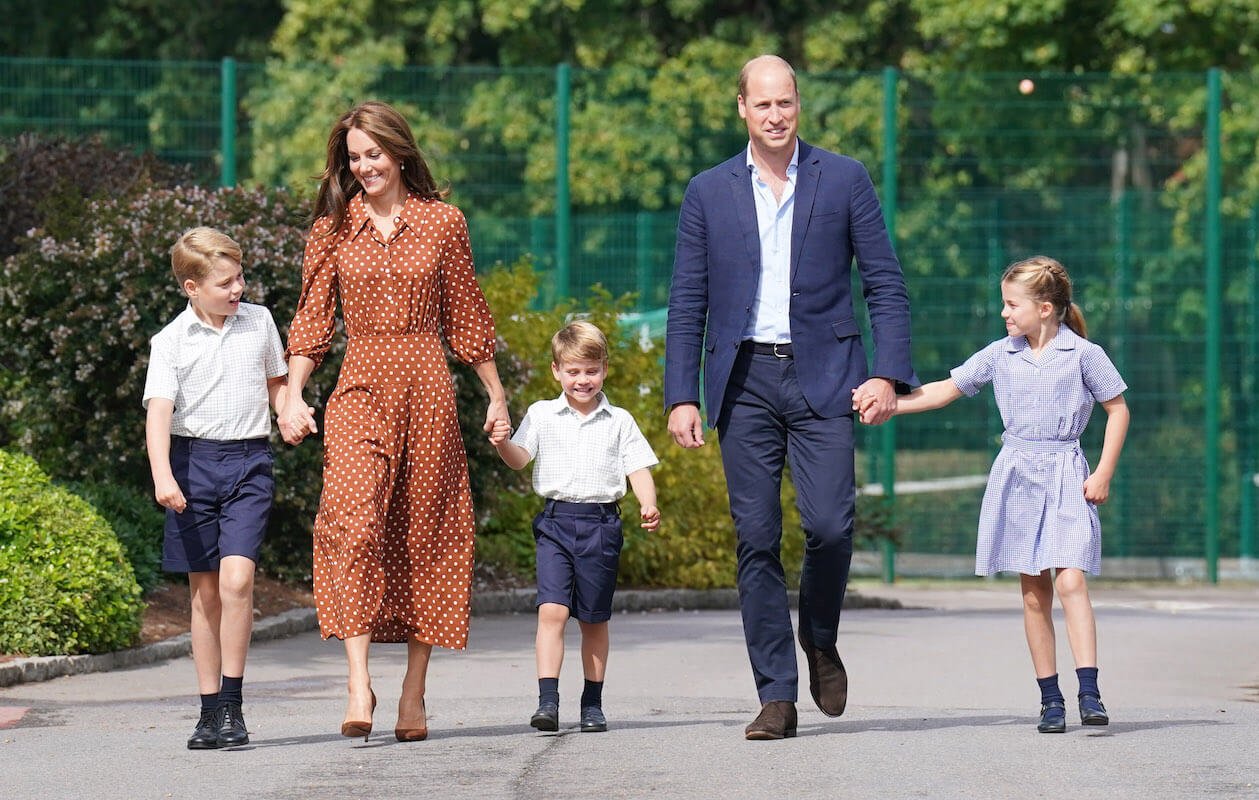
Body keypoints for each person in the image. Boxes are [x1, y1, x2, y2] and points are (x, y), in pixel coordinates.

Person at [664, 54, 918, 740]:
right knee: (755, 539)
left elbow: (885, 285)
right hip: (741, 381)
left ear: (797, 106)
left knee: (831, 527)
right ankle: (775, 694)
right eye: (763, 105)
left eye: (786, 104)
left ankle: (820, 638)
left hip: (828, 376)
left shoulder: (843, 178)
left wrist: (886, 375)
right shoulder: (708, 191)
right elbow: (687, 300)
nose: (776, 116)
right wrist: (679, 395)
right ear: (740, 108)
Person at [278, 100, 510, 743]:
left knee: (422, 533)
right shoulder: (334, 227)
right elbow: (312, 320)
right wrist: (294, 396)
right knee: (350, 520)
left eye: (374, 154)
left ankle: (413, 693)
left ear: (399, 152)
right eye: (353, 158)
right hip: (359, 387)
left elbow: (467, 315)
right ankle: (358, 683)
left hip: (429, 387)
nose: (364, 167)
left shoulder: (443, 223)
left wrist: (495, 396)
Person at [867, 255, 1129, 733]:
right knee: (1034, 592)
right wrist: (890, 405)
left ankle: (1089, 690)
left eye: (1012, 305)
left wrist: (1104, 472)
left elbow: (1118, 409)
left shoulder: (1085, 355)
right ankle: (1051, 700)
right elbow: (945, 389)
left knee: (1071, 580)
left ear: (1045, 308)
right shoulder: (999, 353)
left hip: (1067, 474)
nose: (1005, 314)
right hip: (1018, 476)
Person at [143, 227, 289, 749]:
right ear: (191, 286)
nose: (238, 290)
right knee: (204, 594)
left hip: (249, 461)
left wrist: (288, 409)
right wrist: (163, 474)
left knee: (236, 583)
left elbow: (277, 382)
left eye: (240, 277)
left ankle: (232, 704)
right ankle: (208, 712)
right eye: (226, 282)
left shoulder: (260, 322)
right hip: (191, 465)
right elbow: (159, 412)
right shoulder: (171, 341)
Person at [489, 321, 660, 733]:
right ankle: (548, 701)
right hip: (555, 522)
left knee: (593, 619)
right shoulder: (541, 414)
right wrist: (501, 443)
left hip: (601, 524)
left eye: (591, 370)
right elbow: (519, 458)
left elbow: (637, 466)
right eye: (573, 371)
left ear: (604, 369)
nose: (582, 380)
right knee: (551, 610)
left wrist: (648, 503)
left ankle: (592, 705)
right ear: (556, 371)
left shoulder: (619, 420)